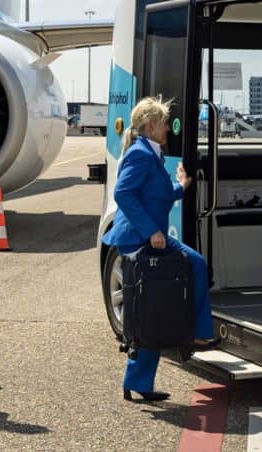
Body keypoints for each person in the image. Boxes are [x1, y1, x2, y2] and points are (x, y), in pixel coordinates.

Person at [102, 96, 218, 402]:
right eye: (165, 123)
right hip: (141, 238)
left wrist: (181, 186)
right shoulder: (141, 154)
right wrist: (151, 230)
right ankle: (195, 332)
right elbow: (123, 193)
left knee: (153, 309)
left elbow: (157, 195)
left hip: (152, 236)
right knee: (193, 267)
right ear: (151, 126)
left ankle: (139, 381)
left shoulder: (151, 153)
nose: (168, 129)